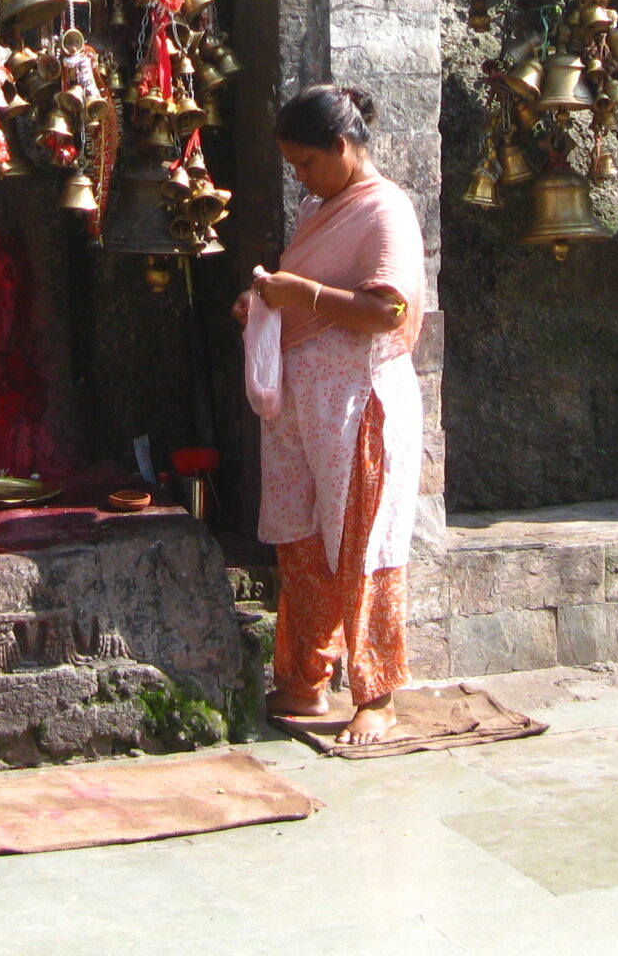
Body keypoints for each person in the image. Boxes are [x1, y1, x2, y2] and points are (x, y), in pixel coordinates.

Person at [239, 84, 426, 745]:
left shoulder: (384, 211)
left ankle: (377, 694)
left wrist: (302, 293)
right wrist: (268, 307)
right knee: (301, 537)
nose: (301, 178)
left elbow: (387, 310)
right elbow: (313, 301)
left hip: (358, 401)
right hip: (302, 405)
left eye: (307, 164)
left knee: (363, 542)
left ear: (342, 147)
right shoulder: (326, 208)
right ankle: (304, 678)